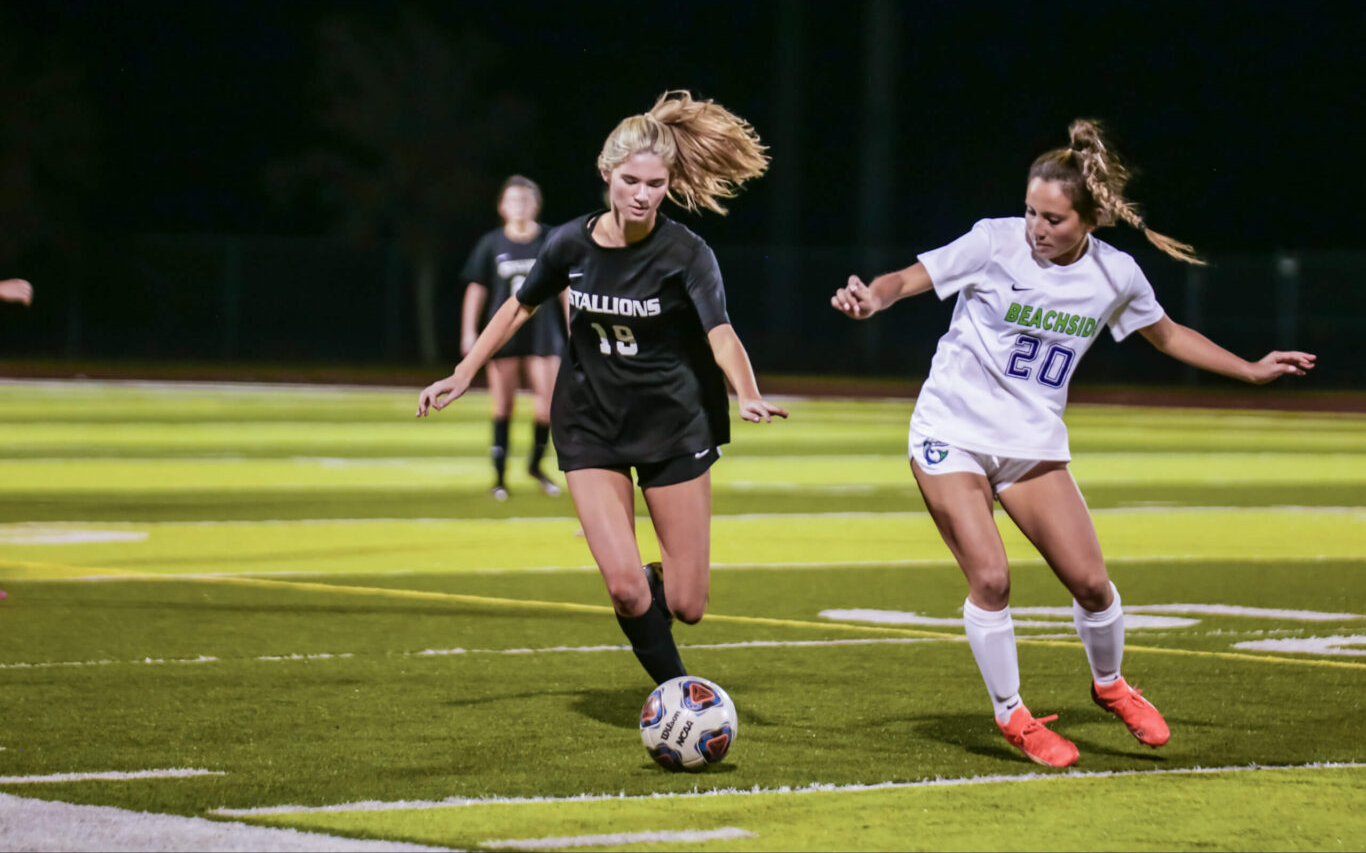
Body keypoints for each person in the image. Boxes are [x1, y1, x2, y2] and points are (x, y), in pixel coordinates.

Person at [832, 120, 1316, 768]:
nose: (1036, 227)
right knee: (992, 578)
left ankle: (1111, 683)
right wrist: (873, 297)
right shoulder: (993, 242)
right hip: (951, 431)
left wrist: (1251, 368)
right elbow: (907, 277)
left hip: (1030, 441)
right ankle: (1014, 715)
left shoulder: (1115, 275)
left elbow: (1168, 336)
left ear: (1088, 219)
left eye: (1053, 218)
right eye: (1032, 210)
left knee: (1092, 583)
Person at [419, 90, 786, 686]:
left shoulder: (687, 253)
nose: (642, 195)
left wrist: (744, 391)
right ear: (606, 174)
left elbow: (721, 333)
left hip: (674, 426)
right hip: (590, 423)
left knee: (689, 605)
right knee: (624, 588)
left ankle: (656, 595)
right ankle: (678, 694)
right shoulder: (569, 243)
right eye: (631, 181)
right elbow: (517, 307)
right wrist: (464, 373)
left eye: (656, 184)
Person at [459, 175, 567, 500]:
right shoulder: (491, 243)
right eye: (513, 200)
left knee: (547, 407)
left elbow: (566, 287)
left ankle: (535, 465)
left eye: (525, 200)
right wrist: (469, 332)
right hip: (504, 330)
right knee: (503, 404)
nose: (519, 206)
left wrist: (575, 326)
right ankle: (499, 477)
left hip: (544, 331)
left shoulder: (551, 239)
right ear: (502, 206)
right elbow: (476, 288)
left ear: (536, 204)